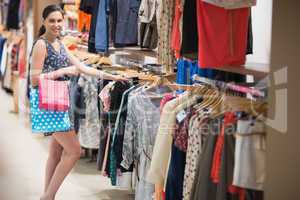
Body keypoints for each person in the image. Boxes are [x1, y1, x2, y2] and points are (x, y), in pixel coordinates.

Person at [29, 4, 127, 200]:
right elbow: (34, 79)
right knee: (74, 151)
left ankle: (48, 196)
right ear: (44, 22)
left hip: (58, 102)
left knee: (56, 151)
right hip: (49, 103)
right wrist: (62, 72)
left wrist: (110, 76)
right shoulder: (41, 44)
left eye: (59, 20)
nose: (56, 24)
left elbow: (82, 67)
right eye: (52, 21)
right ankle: (47, 196)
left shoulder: (60, 42)